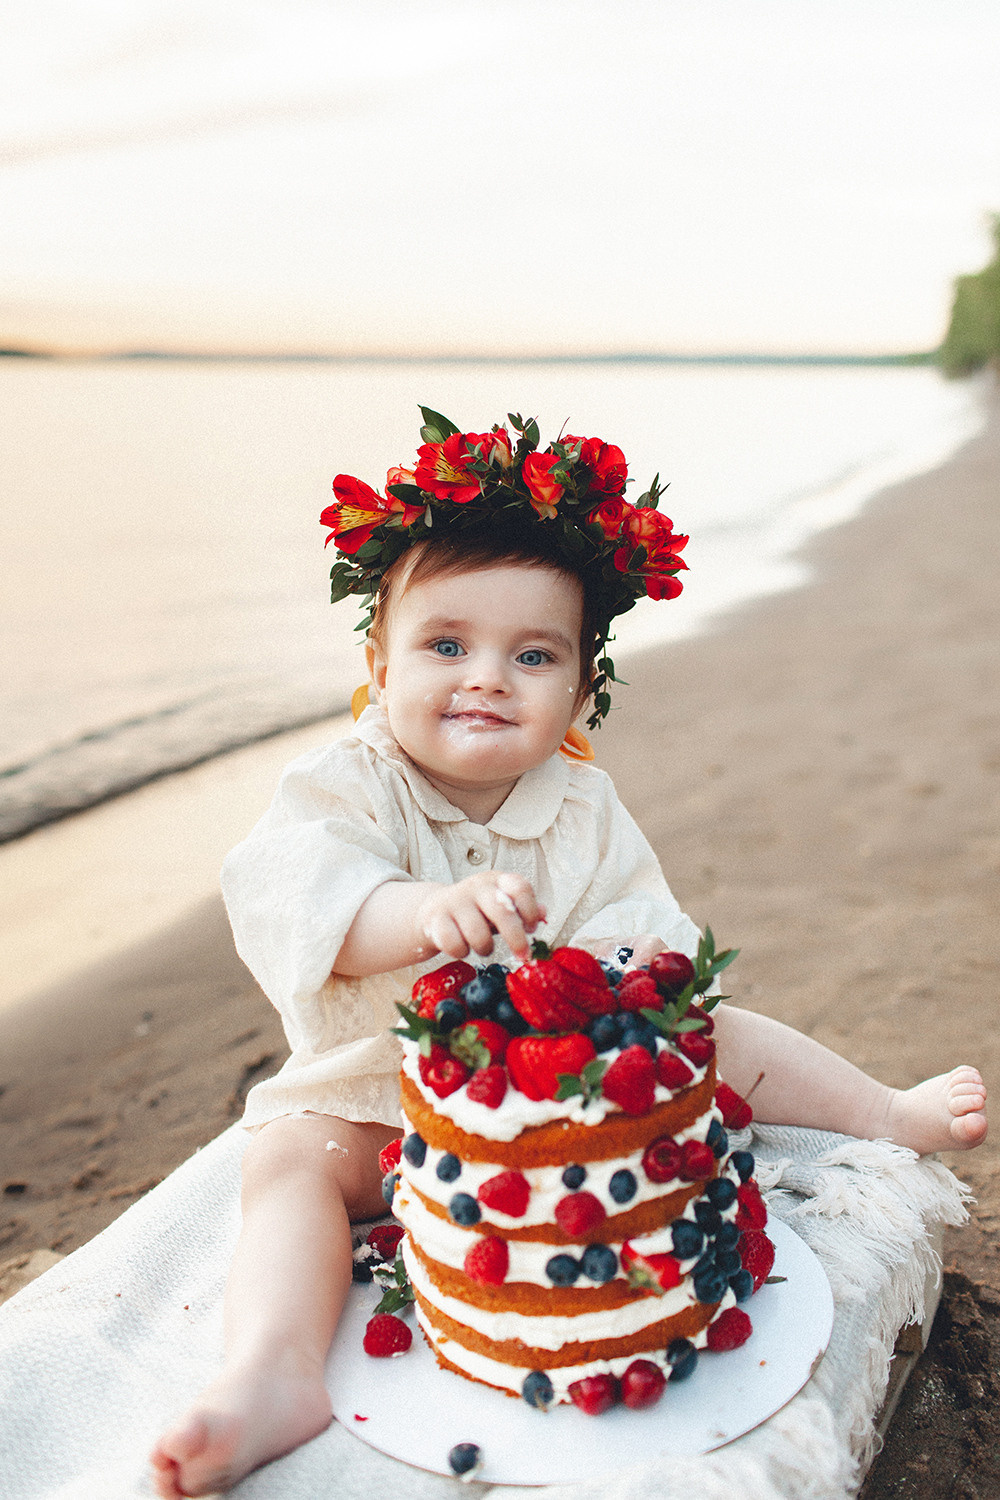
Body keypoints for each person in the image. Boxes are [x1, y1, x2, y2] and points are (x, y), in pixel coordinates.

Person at [150, 410, 987, 1498]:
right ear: (376, 659)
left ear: (583, 689)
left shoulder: (579, 809)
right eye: (445, 646)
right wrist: (418, 912)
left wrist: (629, 985)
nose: (486, 678)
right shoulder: (343, 786)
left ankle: (881, 1113)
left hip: (561, 1104)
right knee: (286, 1172)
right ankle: (271, 1370)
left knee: (711, 1027)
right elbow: (292, 898)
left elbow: (644, 943)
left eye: (531, 654)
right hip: (372, 1102)